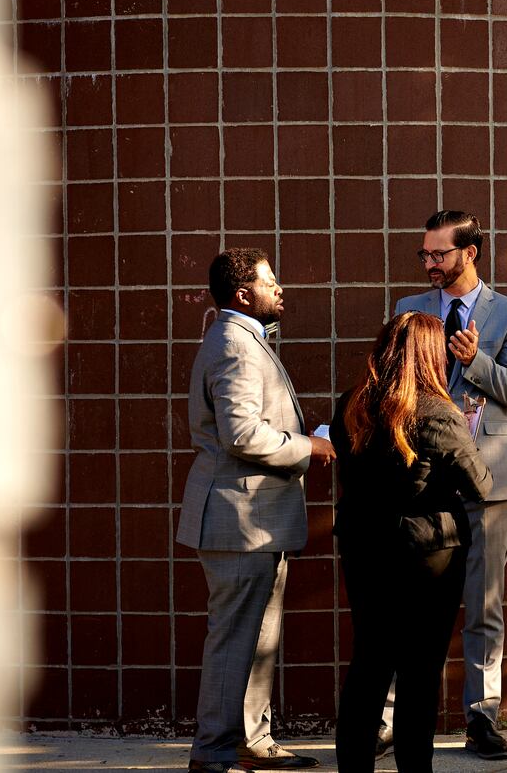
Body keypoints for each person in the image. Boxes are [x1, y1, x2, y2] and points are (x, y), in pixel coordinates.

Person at [177, 248, 335, 773]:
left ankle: (251, 742)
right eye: (271, 282)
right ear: (244, 294)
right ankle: (214, 754)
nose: (280, 289)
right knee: (235, 640)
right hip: (239, 520)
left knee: (258, 639)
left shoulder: (242, 339)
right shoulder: (235, 345)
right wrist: (306, 446)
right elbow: (241, 432)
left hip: (255, 521)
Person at [389, 210, 507, 759]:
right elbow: (391, 380)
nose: (430, 264)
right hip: (421, 481)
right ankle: (392, 720)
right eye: (424, 255)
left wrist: (476, 362)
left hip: (487, 480)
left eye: (439, 255)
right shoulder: (409, 310)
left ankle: (482, 717)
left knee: (484, 603)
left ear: (470, 252)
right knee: (409, 605)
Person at [330, 313, 493, 773]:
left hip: (364, 548)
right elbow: (479, 483)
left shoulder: (351, 404)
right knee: (420, 671)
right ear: (430, 354)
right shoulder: (438, 412)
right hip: (428, 553)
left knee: (369, 663)